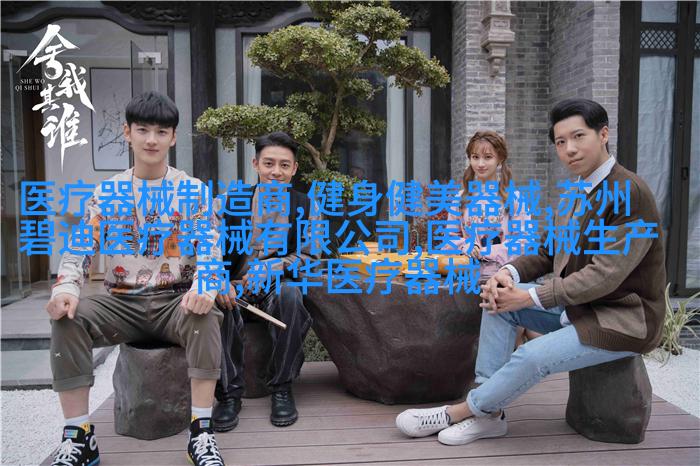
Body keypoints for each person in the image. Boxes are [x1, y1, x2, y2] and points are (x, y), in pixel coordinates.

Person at [396, 98, 666, 446]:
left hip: (621, 319)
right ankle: (489, 416)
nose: (569, 149)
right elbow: (546, 252)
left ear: (603, 134)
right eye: (560, 142)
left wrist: (530, 296)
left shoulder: (630, 193)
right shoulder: (576, 191)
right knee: (496, 301)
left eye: (578, 137)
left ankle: (458, 412)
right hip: (580, 308)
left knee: (531, 354)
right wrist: (507, 273)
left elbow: (603, 276)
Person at [46, 91, 226, 466]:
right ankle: (78, 436)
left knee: (206, 316)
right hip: (121, 303)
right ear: (127, 133)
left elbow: (210, 247)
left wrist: (205, 287)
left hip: (175, 301)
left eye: (161, 132)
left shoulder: (193, 191)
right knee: (66, 318)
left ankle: (201, 433)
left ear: (173, 138)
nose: (151, 140)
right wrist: (66, 287)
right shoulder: (107, 193)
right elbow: (81, 246)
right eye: (142, 130)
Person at [213, 132, 319, 431]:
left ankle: (282, 387)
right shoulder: (226, 202)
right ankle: (228, 394)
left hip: (275, 286)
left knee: (291, 295)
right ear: (255, 164)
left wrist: (274, 266)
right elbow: (207, 248)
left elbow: (310, 255)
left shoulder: (307, 206)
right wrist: (220, 280)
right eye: (269, 163)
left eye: (284, 165)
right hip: (234, 286)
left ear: (294, 169)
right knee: (218, 305)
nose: (276, 171)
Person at [445, 131, 540, 346]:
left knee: (512, 339)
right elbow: (450, 238)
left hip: (504, 279)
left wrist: (486, 252)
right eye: (475, 157)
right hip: (469, 280)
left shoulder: (513, 198)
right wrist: (465, 245)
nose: (480, 164)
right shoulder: (460, 199)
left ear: (500, 159)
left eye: (488, 157)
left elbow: (523, 241)